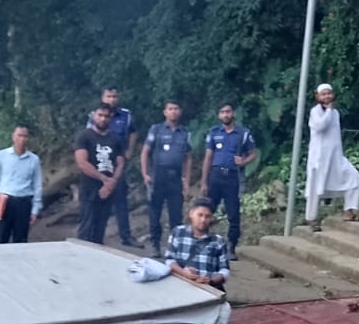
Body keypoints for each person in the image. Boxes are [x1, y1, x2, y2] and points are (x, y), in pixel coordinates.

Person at [164, 199, 231, 324]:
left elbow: (225, 270)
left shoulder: (218, 241)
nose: (203, 220)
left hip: (209, 291)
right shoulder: (178, 233)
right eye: (200, 215)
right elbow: (169, 260)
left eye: (207, 216)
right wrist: (185, 273)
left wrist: (210, 279)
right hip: (183, 291)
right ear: (191, 214)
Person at [199, 103, 257, 261]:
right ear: (219, 115)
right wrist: (204, 181)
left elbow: (253, 153)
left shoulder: (243, 133)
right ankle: (204, 242)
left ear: (233, 114)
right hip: (215, 176)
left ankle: (231, 246)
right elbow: (208, 158)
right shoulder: (214, 132)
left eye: (228, 112)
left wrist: (243, 161)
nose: (225, 114)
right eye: (222, 112)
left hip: (233, 177)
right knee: (207, 210)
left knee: (233, 213)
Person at [303, 83, 359, 230]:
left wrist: (331, 111)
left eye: (329, 93)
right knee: (315, 189)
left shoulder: (335, 113)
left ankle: (349, 211)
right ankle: (312, 219)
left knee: (353, 177)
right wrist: (329, 111)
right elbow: (320, 126)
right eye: (323, 94)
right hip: (319, 158)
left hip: (336, 157)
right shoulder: (315, 112)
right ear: (318, 97)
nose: (327, 96)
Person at [89, 86, 139, 247]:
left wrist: (130, 151)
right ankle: (93, 236)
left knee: (121, 201)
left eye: (114, 96)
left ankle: (126, 236)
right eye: (109, 96)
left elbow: (133, 132)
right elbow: (88, 137)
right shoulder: (94, 114)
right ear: (103, 98)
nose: (112, 99)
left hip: (118, 163)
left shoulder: (126, 115)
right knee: (96, 200)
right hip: (99, 164)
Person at [141, 100, 192, 256]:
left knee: (176, 214)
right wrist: (145, 174)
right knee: (155, 212)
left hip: (175, 178)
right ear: (165, 112)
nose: (173, 111)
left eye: (176, 108)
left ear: (180, 111)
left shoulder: (185, 133)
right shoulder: (156, 130)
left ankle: (174, 247)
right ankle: (155, 245)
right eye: (170, 109)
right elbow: (145, 152)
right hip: (158, 176)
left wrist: (187, 180)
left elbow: (188, 158)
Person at [0, 125, 44, 244]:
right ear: (13, 137)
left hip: (24, 202)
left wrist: (35, 210)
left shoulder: (33, 159)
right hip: (4, 200)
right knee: (0, 238)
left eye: (25, 136)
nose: (22, 139)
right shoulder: (2, 155)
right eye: (19, 135)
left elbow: (37, 185)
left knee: (21, 239)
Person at [73, 106, 125, 244]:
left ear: (111, 118)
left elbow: (120, 163)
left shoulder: (115, 139)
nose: (103, 118)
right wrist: (104, 179)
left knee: (101, 227)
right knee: (86, 226)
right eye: (100, 115)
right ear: (93, 116)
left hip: (109, 190)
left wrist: (112, 183)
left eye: (106, 116)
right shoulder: (84, 136)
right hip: (89, 187)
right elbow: (82, 163)